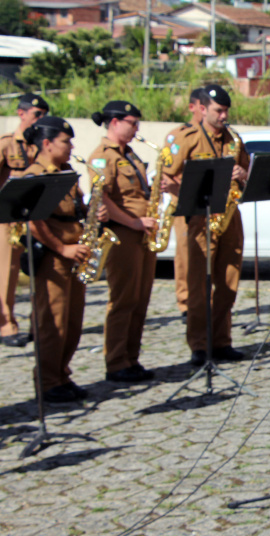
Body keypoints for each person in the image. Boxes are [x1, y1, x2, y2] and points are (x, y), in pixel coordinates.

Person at [161, 84, 249, 366]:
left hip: (229, 216)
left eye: (226, 111)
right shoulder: (184, 137)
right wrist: (191, 193)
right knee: (199, 286)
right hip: (199, 219)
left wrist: (242, 173)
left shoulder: (234, 139)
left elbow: (247, 175)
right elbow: (165, 179)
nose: (224, 116)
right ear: (202, 109)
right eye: (218, 111)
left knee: (228, 281)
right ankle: (199, 344)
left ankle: (222, 341)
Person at [24, 116, 107, 403]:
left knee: (73, 321)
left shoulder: (65, 171)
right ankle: (47, 382)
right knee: (53, 323)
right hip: (54, 257)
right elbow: (34, 221)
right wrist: (62, 248)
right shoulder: (35, 175)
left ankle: (62, 374)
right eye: (65, 141)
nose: (71, 146)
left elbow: (74, 209)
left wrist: (93, 215)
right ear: (46, 144)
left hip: (76, 253)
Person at [89, 101, 156, 383]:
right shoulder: (102, 157)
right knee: (123, 300)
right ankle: (116, 362)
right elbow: (101, 198)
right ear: (114, 122)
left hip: (142, 233)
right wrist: (134, 222)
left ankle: (132, 358)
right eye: (132, 122)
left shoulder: (130, 154)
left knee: (140, 299)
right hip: (123, 233)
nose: (136, 128)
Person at [0, 93, 48, 348]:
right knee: (6, 273)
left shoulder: (39, 144)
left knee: (37, 270)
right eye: (36, 114)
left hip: (35, 218)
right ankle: (6, 325)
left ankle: (36, 323)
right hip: (9, 220)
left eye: (43, 116)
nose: (40, 120)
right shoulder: (8, 144)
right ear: (21, 113)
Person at [164, 88, 205, 322]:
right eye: (201, 107)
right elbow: (169, 173)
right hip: (184, 202)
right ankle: (185, 302)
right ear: (193, 108)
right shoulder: (179, 135)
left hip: (207, 203)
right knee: (185, 254)